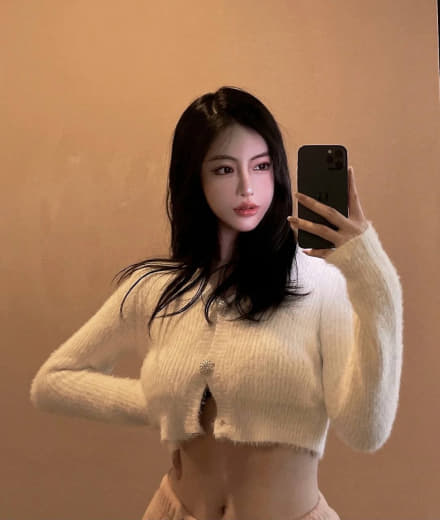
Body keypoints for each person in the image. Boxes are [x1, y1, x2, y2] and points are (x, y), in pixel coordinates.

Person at [30, 86, 404, 520]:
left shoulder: (321, 282)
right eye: (225, 169)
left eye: (261, 166)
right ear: (195, 178)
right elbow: (52, 381)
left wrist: (376, 281)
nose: (247, 187)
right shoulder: (154, 288)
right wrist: (156, 400)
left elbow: (365, 431)